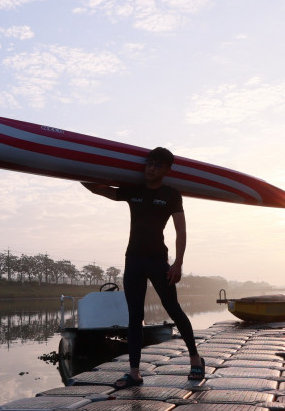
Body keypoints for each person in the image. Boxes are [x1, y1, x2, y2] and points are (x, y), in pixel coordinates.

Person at [82, 147, 204, 388]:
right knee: (135, 316)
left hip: (158, 260)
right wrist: (71, 170)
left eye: (157, 165)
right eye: (149, 163)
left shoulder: (171, 195)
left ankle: (195, 359)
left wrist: (178, 263)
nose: (151, 168)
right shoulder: (133, 189)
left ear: (167, 170)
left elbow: (181, 230)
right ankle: (135, 373)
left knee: (173, 308)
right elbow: (101, 190)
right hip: (134, 260)